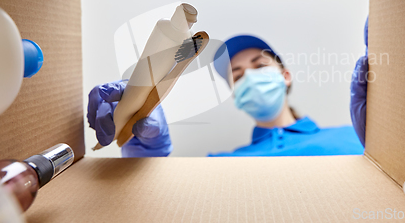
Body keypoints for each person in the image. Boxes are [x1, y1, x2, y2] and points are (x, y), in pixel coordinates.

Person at [87, 20, 369, 157]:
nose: (250, 76)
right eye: (237, 74)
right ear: (235, 93)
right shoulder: (222, 164)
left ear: (285, 76)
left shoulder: (355, 138)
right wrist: (146, 157)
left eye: (259, 66)